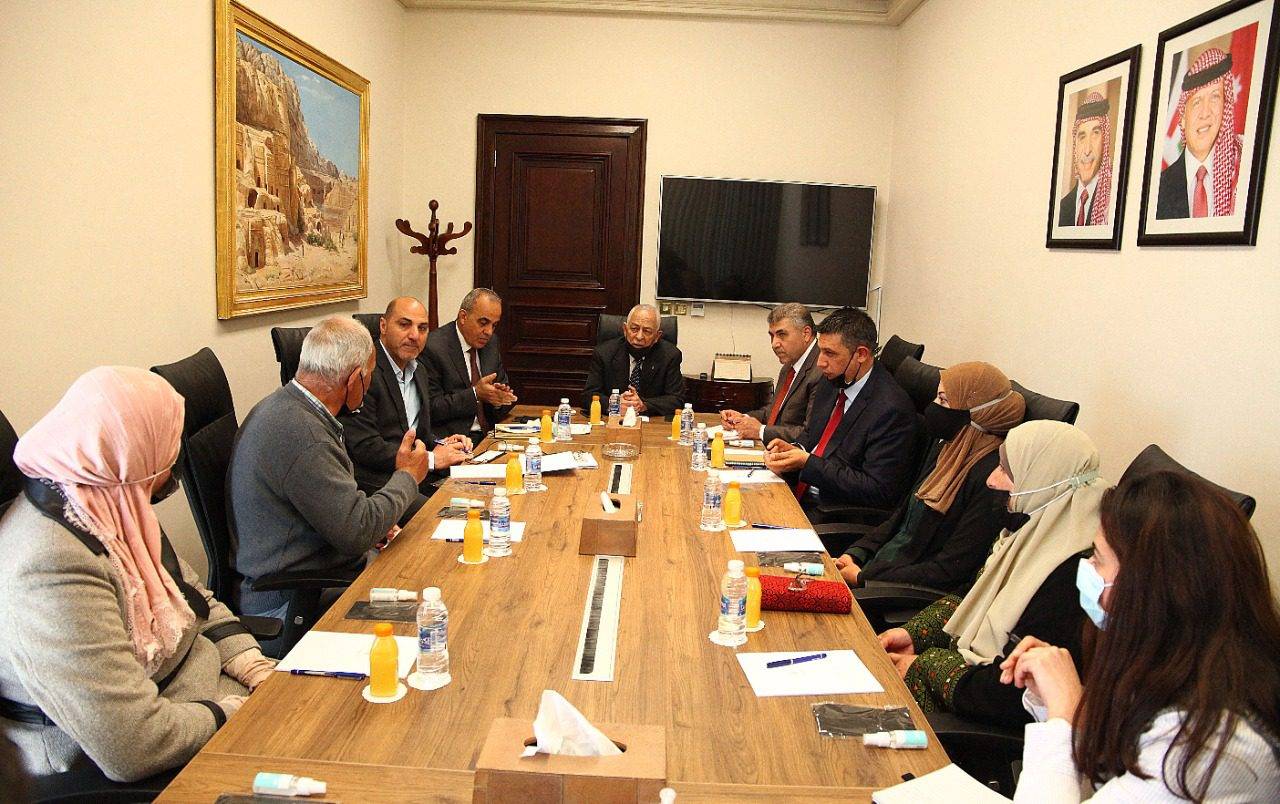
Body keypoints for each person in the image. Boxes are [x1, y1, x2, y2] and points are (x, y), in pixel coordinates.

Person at [0, 367, 274, 781]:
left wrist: (251, 663)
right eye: (167, 445)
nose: (173, 461)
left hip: (199, 689)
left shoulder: (110, 498)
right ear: (133, 454)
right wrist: (232, 712)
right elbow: (132, 744)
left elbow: (189, 594)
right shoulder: (50, 567)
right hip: (138, 751)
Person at [1003, 471, 1280, 801]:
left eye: (1098, 558)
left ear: (1152, 588)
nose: (1087, 567)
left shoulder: (1210, 749)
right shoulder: (1169, 666)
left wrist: (1064, 718)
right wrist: (1062, 703)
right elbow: (1107, 769)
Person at [878, 420, 1102, 727]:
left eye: (1007, 472)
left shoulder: (1071, 575)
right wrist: (914, 634)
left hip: (978, 723)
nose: (992, 480)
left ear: (1043, 478)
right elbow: (974, 595)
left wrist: (924, 666)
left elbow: (1010, 691)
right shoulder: (1025, 533)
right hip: (964, 685)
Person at [228, 317, 431, 633]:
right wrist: (408, 475)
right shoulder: (305, 436)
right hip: (295, 599)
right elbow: (357, 530)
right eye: (369, 376)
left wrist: (375, 522)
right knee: (432, 609)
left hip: (317, 569)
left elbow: (333, 507)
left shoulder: (288, 407)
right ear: (354, 380)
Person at [835, 362, 1025, 593]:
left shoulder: (991, 480)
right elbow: (900, 518)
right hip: (876, 570)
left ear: (977, 413)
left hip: (895, 592)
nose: (932, 407)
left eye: (943, 400)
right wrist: (856, 553)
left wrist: (864, 578)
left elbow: (949, 571)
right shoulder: (946, 449)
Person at [763, 306, 918, 516]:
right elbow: (811, 435)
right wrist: (793, 449)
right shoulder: (833, 380)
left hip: (832, 512)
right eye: (820, 350)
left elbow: (877, 490)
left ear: (861, 354)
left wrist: (807, 463)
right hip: (797, 490)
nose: (820, 363)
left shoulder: (891, 409)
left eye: (830, 353)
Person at [340, 297, 472, 524]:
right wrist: (431, 459)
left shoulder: (418, 370)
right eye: (404, 325)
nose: (414, 335)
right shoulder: (365, 371)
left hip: (416, 474)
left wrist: (443, 443)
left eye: (422, 328)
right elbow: (364, 447)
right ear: (383, 326)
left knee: (477, 501)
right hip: (378, 481)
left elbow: (417, 433)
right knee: (442, 519)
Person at [1157, 47, 1244, 220]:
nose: (1205, 113)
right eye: (1197, 101)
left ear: (1225, 107)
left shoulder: (1242, 170)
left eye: (1215, 97)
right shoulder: (1160, 187)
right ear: (1182, 118)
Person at [721, 303, 822, 444]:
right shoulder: (789, 366)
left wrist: (761, 431)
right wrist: (742, 419)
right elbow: (773, 413)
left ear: (806, 334)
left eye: (782, 335)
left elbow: (810, 434)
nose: (774, 344)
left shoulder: (821, 369)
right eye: (772, 336)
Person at [423, 288, 517, 438]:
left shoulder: (491, 344)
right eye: (483, 323)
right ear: (463, 317)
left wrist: (498, 400)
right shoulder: (434, 347)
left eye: (494, 325)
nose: (489, 332)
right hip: (454, 440)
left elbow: (506, 399)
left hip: (489, 435)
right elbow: (432, 408)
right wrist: (475, 394)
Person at [582, 304, 685, 418]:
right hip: (611, 421)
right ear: (625, 329)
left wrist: (644, 405)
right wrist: (613, 404)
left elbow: (676, 400)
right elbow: (588, 395)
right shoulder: (604, 353)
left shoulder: (670, 356)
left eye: (647, 331)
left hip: (651, 423)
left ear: (657, 336)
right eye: (634, 329)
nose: (639, 336)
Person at [1057, 92, 1112, 227]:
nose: (1087, 150)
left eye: (1095, 134)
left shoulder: (1110, 205)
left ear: (1105, 142)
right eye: (1082, 137)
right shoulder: (1062, 207)